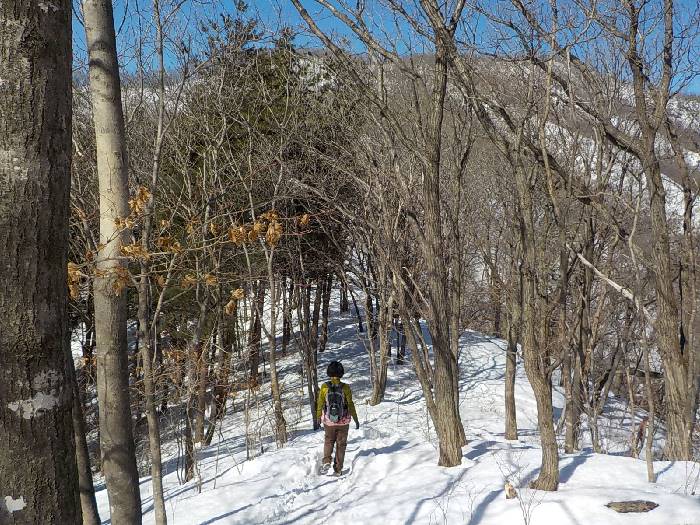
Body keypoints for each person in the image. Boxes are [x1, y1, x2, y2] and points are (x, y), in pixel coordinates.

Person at [316, 360, 359, 476]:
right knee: (341, 445)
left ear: (329, 372)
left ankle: (326, 461)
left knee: (329, 441)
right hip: (343, 421)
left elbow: (320, 403)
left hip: (328, 421)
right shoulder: (345, 387)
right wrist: (355, 418)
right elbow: (350, 404)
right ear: (341, 373)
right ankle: (338, 469)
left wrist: (318, 417)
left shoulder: (324, 387)